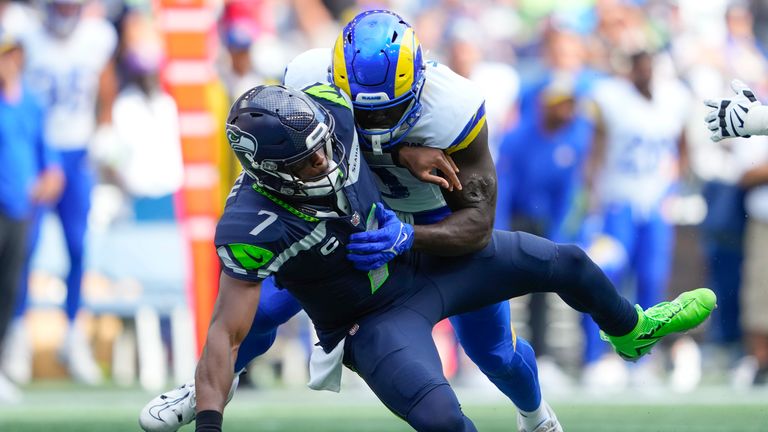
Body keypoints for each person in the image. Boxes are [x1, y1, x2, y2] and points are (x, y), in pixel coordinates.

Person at [141, 10, 711, 432]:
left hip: (436, 230)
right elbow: (297, 140)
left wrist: (408, 228)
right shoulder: (309, 79)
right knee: (258, 311)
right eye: (363, 112)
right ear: (336, 87)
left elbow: (479, 224)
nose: (374, 122)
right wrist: (396, 154)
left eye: (389, 111)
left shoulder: (455, 108)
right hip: (348, 227)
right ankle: (207, 391)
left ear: (419, 83)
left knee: (494, 351)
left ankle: (538, 415)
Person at [9, 0, 118, 385]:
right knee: (23, 250)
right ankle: (16, 338)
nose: (68, 13)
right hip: (37, 153)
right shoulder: (25, 33)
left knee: (77, 247)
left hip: (75, 153)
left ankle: (74, 336)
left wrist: (104, 129)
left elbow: (106, 88)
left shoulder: (96, 36)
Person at [0, 28, 63, 401]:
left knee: (9, 288)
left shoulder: (31, 103)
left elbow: (47, 155)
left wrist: (49, 177)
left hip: (21, 208)